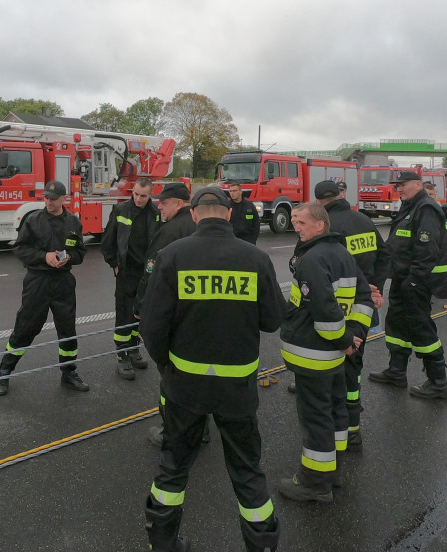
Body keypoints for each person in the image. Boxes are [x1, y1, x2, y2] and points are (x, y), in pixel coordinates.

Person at [140, 187, 285, 552]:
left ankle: (163, 542)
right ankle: (262, 544)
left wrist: (167, 366)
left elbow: (152, 326)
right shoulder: (255, 257)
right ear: (228, 213)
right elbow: (272, 320)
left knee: (173, 465)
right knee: (247, 469)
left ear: (194, 214)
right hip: (237, 386)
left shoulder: (173, 255)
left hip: (184, 384)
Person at [278, 202, 371, 502]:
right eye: (295, 222)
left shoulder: (312, 259)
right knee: (336, 413)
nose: (296, 227)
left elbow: (325, 312)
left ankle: (314, 483)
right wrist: (355, 336)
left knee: (316, 418)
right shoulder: (343, 254)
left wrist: (344, 340)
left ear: (320, 225)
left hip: (313, 354)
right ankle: (333, 472)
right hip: (335, 357)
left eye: (302, 223)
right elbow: (364, 297)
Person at [309, 179, 388, 451]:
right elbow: (384, 256)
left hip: (337, 311)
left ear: (318, 201)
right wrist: (374, 288)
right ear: (340, 195)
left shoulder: (325, 226)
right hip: (363, 310)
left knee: (333, 370)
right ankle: (353, 428)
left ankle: (337, 427)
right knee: (354, 367)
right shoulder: (364, 220)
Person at [0, 180, 88, 396]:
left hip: (63, 282)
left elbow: (80, 252)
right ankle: (4, 371)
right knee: (25, 327)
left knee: (67, 329)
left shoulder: (73, 222)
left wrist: (69, 257)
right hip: (37, 280)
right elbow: (20, 249)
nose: (48, 202)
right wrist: (44, 257)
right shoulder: (34, 220)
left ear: (64, 199)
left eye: (53, 199)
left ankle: (69, 372)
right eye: (46, 197)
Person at [368, 170, 447, 399]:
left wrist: (414, 279)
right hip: (402, 278)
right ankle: (396, 372)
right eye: (397, 185)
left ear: (417, 184)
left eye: (403, 184)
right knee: (396, 324)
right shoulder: (410, 207)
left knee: (420, 327)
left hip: (416, 281)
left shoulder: (426, 208)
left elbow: (427, 249)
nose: (399, 189)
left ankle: (438, 383)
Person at [135, 181, 198, 447]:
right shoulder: (198, 225)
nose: (159, 207)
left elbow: (152, 271)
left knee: (171, 376)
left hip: (171, 312)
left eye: (164, 202)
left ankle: (170, 431)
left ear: (179, 203)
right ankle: (200, 429)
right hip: (194, 312)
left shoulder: (169, 230)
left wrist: (141, 306)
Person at [101, 177, 160, 380]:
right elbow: (108, 240)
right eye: (135, 194)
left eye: (143, 196)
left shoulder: (156, 213)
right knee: (124, 314)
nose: (138, 199)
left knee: (140, 313)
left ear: (150, 195)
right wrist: (114, 264)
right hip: (126, 272)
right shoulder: (121, 210)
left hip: (147, 274)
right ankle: (122, 355)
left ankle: (133, 348)